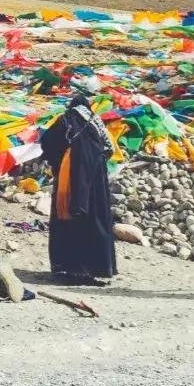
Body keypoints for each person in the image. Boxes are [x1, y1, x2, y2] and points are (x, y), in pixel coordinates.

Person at [40, 93, 118, 285]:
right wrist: (93, 162)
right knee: (95, 218)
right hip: (94, 180)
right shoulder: (96, 121)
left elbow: (47, 142)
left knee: (67, 215)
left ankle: (68, 268)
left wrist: (61, 161)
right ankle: (98, 268)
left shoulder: (65, 120)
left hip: (69, 179)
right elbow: (109, 148)